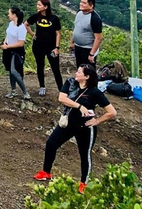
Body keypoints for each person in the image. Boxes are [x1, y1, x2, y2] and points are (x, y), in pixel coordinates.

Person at [33, 64, 117, 194]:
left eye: (79, 72)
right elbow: (62, 98)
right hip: (69, 123)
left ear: (87, 77)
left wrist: (97, 121)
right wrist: (79, 106)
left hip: (85, 127)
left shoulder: (94, 92)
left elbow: (111, 112)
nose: (76, 73)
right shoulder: (70, 83)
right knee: (51, 143)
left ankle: (84, 183)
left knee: (84, 155)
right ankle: (46, 172)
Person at [26, 0, 63, 96]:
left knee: (55, 68)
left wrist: (57, 47)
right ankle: (42, 86)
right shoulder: (36, 16)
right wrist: (32, 34)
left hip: (51, 46)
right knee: (40, 66)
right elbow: (26, 24)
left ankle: (61, 89)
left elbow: (58, 33)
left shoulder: (54, 18)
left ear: (46, 6)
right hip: (38, 46)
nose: (37, 6)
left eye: (39, 5)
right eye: (37, 4)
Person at [1, 7, 30, 99]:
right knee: (10, 70)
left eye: (9, 13)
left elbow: (20, 43)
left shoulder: (21, 28)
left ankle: (25, 92)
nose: (8, 15)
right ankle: (13, 90)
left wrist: (7, 46)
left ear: (14, 15)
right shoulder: (11, 24)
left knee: (14, 71)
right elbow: (8, 35)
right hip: (8, 50)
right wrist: (5, 42)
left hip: (16, 52)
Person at [71, 0, 103, 67]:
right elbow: (76, 28)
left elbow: (98, 38)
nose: (81, 4)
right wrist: (72, 42)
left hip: (88, 49)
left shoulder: (95, 19)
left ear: (91, 6)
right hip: (78, 47)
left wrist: (92, 54)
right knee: (79, 68)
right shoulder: (79, 13)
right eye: (81, 2)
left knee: (88, 70)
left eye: (84, 3)